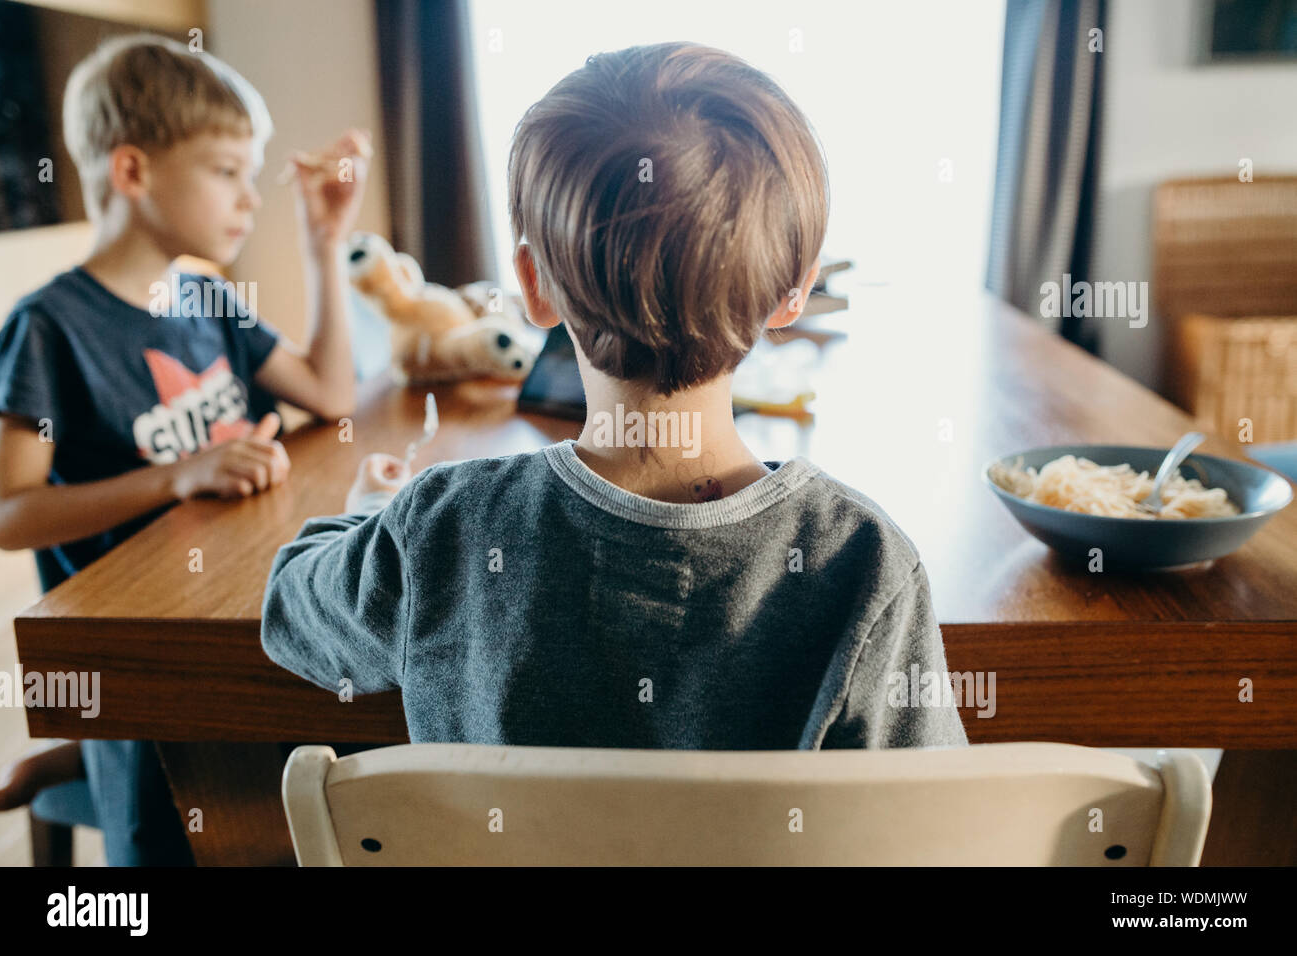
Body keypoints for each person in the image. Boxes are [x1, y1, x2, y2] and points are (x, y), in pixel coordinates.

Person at [262, 42, 967, 753]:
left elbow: (292, 615)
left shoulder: (442, 530)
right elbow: (930, 820)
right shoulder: (864, 566)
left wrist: (369, 516)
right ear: (796, 292)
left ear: (531, 285)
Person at [0, 33, 369, 865]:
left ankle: (65, 766)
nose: (249, 196)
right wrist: (178, 475)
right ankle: (83, 764)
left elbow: (331, 394)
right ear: (132, 171)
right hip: (140, 663)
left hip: (233, 607)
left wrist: (322, 245)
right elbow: (10, 514)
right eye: (225, 170)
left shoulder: (206, 295)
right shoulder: (49, 327)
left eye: (252, 172)